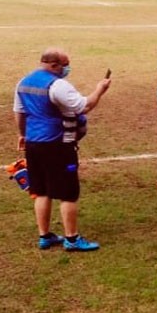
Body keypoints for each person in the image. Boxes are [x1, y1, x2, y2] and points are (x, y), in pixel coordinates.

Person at [14, 48, 111, 251]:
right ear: (54, 65)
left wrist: (23, 134)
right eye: (66, 64)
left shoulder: (23, 82)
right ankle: (72, 239)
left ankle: (45, 235)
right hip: (57, 144)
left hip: (33, 144)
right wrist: (100, 90)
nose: (68, 68)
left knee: (41, 192)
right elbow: (84, 106)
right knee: (68, 193)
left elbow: (19, 112)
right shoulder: (58, 85)